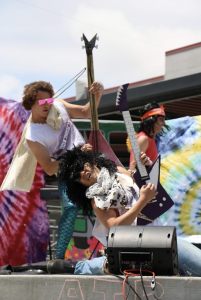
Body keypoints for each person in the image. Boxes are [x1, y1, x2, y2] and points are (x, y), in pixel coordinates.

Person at [57, 145, 201, 276]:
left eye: (82, 166)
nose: (82, 173)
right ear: (80, 185)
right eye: (77, 176)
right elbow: (115, 227)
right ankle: (87, 266)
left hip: (162, 234)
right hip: (141, 246)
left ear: (93, 162)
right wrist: (143, 201)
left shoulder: (119, 171)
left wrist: (145, 168)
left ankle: (94, 265)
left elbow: (145, 188)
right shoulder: (97, 200)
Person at [0, 80, 102, 260]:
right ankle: (59, 259)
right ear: (30, 103)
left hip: (89, 161)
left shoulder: (58, 105)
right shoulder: (33, 135)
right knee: (71, 207)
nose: (47, 105)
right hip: (68, 170)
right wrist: (75, 155)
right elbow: (48, 168)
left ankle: (117, 246)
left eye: (49, 100)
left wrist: (97, 94)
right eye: (41, 102)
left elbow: (86, 112)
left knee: (115, 192)